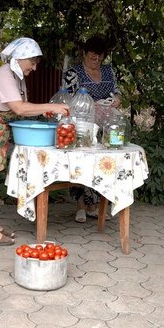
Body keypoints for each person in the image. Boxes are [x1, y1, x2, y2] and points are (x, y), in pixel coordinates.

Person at [0, 37, 70, 246]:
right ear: (21, 58)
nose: (34, 67)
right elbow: (20, 109)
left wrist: (46, 110)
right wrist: (53, 107)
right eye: (32, 62)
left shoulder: (16, 76)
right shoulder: (4, 75)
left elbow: (22, 106)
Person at [63, 35, 122, 223]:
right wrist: (90, 105)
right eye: (92, 57)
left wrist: (117, 100)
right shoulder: (74, 73)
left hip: (105, 127)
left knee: (102, 164)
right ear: (84, 54)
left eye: (99, 58)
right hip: (83, 127)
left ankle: (95, 205)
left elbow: (117, 91)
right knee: (81, 163)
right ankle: (80, 205)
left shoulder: (108, 71)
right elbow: (68, 100)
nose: (96, 61)